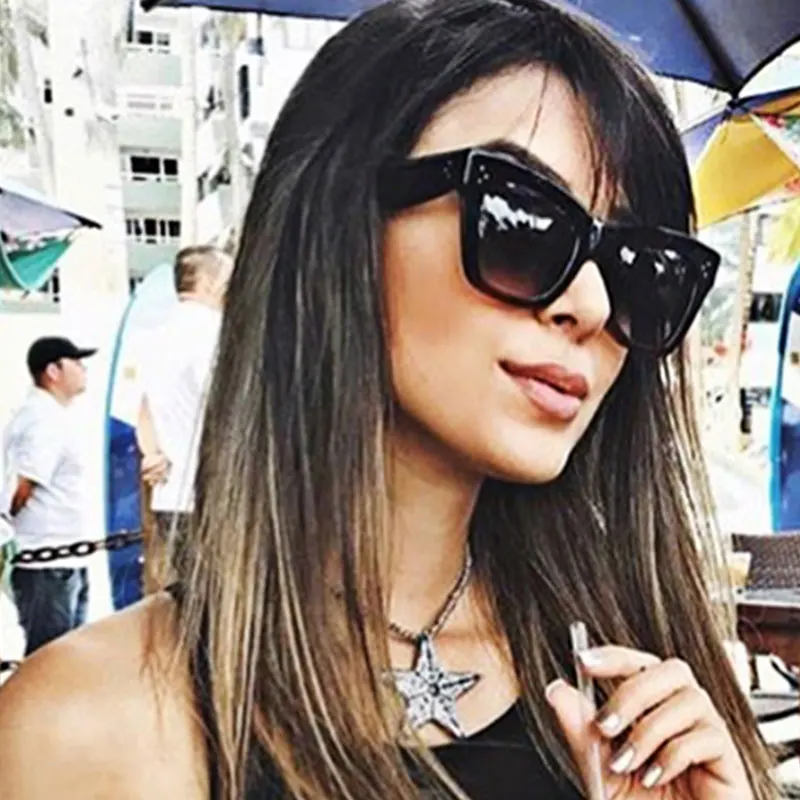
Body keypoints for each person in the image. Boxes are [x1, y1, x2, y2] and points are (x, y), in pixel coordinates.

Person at [0, 1, 776, 798]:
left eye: (640, 267)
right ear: (337, 223)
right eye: (523, 220)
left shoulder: (633, 693)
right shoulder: (85, 727)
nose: (592, 304)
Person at [0, 336, 95, 656]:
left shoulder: (53, 415)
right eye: (76, 363)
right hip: (47, 563)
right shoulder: (42, 419)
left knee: (66, 659)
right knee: (49, 659)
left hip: (64, 560)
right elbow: (21, 488)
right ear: (53, 371)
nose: (83, 369)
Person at [139, 245, 233, 543]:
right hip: (216, 495)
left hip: (171, 495)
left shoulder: (155, 337)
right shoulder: (214, 333)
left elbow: (143, 408)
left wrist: (152, 454)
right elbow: (227, 406)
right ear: (209, 282)